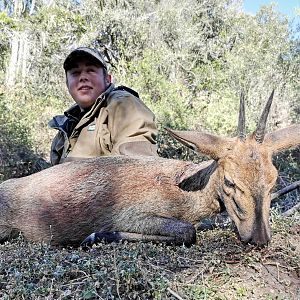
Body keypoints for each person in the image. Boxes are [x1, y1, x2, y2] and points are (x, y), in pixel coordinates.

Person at [49, 47, 158, 165]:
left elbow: (136, 168)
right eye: (75, 73)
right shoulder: (65, 127)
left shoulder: (123, 104)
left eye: (90, 70)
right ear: (67, 84)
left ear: (107, 79)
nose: (83, 77)